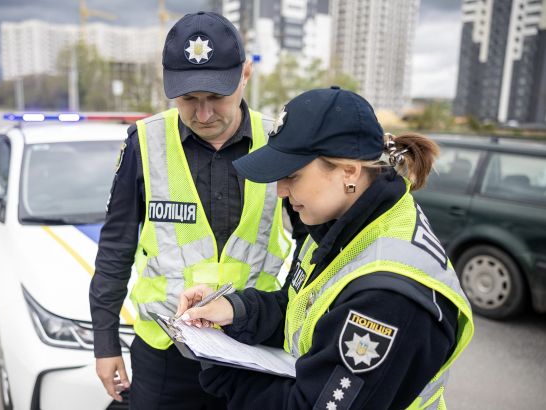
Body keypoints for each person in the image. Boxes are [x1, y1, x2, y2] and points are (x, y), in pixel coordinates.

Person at [176, 87, 475, 409]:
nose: (280, 191)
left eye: (292, 175)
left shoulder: (388, 299)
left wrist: (220, 369)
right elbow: (303, 309)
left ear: (349, 171)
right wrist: (236, 310)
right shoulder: (344, 222)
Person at [89, 11, 305, 409]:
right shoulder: (144, 143)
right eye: (189, 99)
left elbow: (312, 248)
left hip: (251, 349)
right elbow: (116, 248)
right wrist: (105, 343)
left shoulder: (279, 143)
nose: (203, 114)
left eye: (217, 97)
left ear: (245, 75)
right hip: (165, 354)